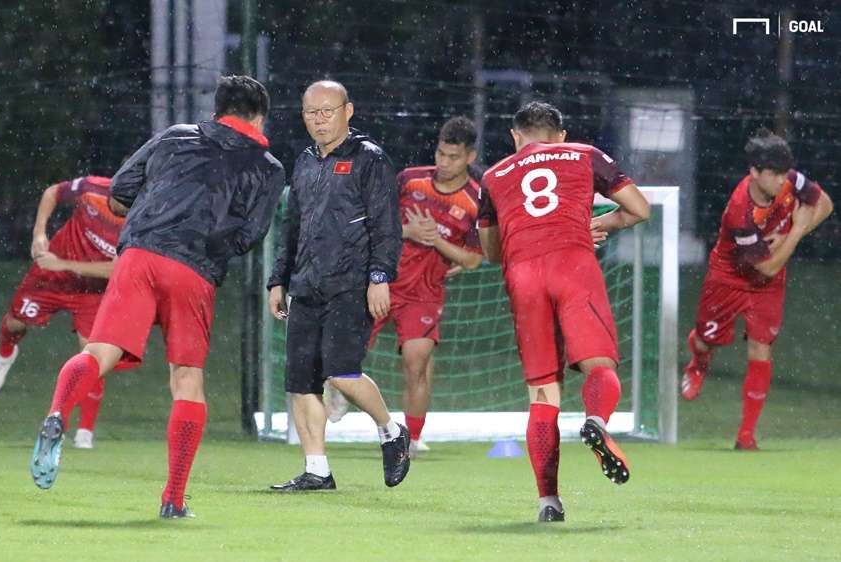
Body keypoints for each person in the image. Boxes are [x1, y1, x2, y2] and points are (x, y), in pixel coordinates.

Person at [28, 75, 285, 520]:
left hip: (141, 254)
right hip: (195, 269)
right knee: (187, 379)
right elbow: (251, 235)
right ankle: (173, 499)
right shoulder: (268, 167)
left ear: (216, 110)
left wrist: (156, 208)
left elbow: (121, 191)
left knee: (99, 351)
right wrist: (210, 240)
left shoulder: (176, 136)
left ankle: (55, 414)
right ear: (259, 117)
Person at [477, 101, 651, 522]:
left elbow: (490, 251)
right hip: (572, 265)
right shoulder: (584, 154)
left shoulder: (493, 175)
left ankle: (548, 502)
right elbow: (639, 209)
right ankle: (595, 421)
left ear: (516, 137)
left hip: (522, 276)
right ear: (560, 135)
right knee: (599, 364)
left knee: (542, 392)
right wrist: (596, 225)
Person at [266, 80, 410, 491]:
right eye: (311, 113)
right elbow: (292, 227)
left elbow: (386, 227)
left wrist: (380, 277)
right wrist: (279, 279)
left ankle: (390, 430)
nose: (319, 120)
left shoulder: (370, 159)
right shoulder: (305, 161)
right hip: (306, 285)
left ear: (348, 111)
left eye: (327, 111)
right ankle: (317, 470)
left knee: (342, 373)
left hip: (351, 283)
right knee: (300, 381)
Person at [323, 117, 484, 459]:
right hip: (381, 281)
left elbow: (472, 260)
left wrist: (436, 240)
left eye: (453, 157)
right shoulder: (410, 180)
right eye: (440, 153)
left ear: (469, 157)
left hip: (424, 293)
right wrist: (408, 233)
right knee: (346, 353)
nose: (443, 162)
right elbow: (376, 220)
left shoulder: (475, 199)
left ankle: (411, 436)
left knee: (416, 362)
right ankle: (337, 390)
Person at [680, 129, 833, 449]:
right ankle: (699, 360)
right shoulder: (740, 211)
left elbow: (826, 205)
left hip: (768, 285)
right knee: (708, 341)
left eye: (783, 174)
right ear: (754, 173)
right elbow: (766, 266)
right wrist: (797, 230)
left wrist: (793, 231)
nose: (781, 181)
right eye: (773, 175)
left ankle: (746, 434)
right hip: (728, 277)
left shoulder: (792, 179)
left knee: (761, 347)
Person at [0, 175, 128, 449]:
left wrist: (64, 264)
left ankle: (84, 432)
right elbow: (52, 192)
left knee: (93, 355)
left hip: (91, 290)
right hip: (51, 275)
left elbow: (118, 270)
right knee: (15, 323)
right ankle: (5, 354)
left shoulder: (144, 219)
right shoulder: (92, 189)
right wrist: (39, 233)